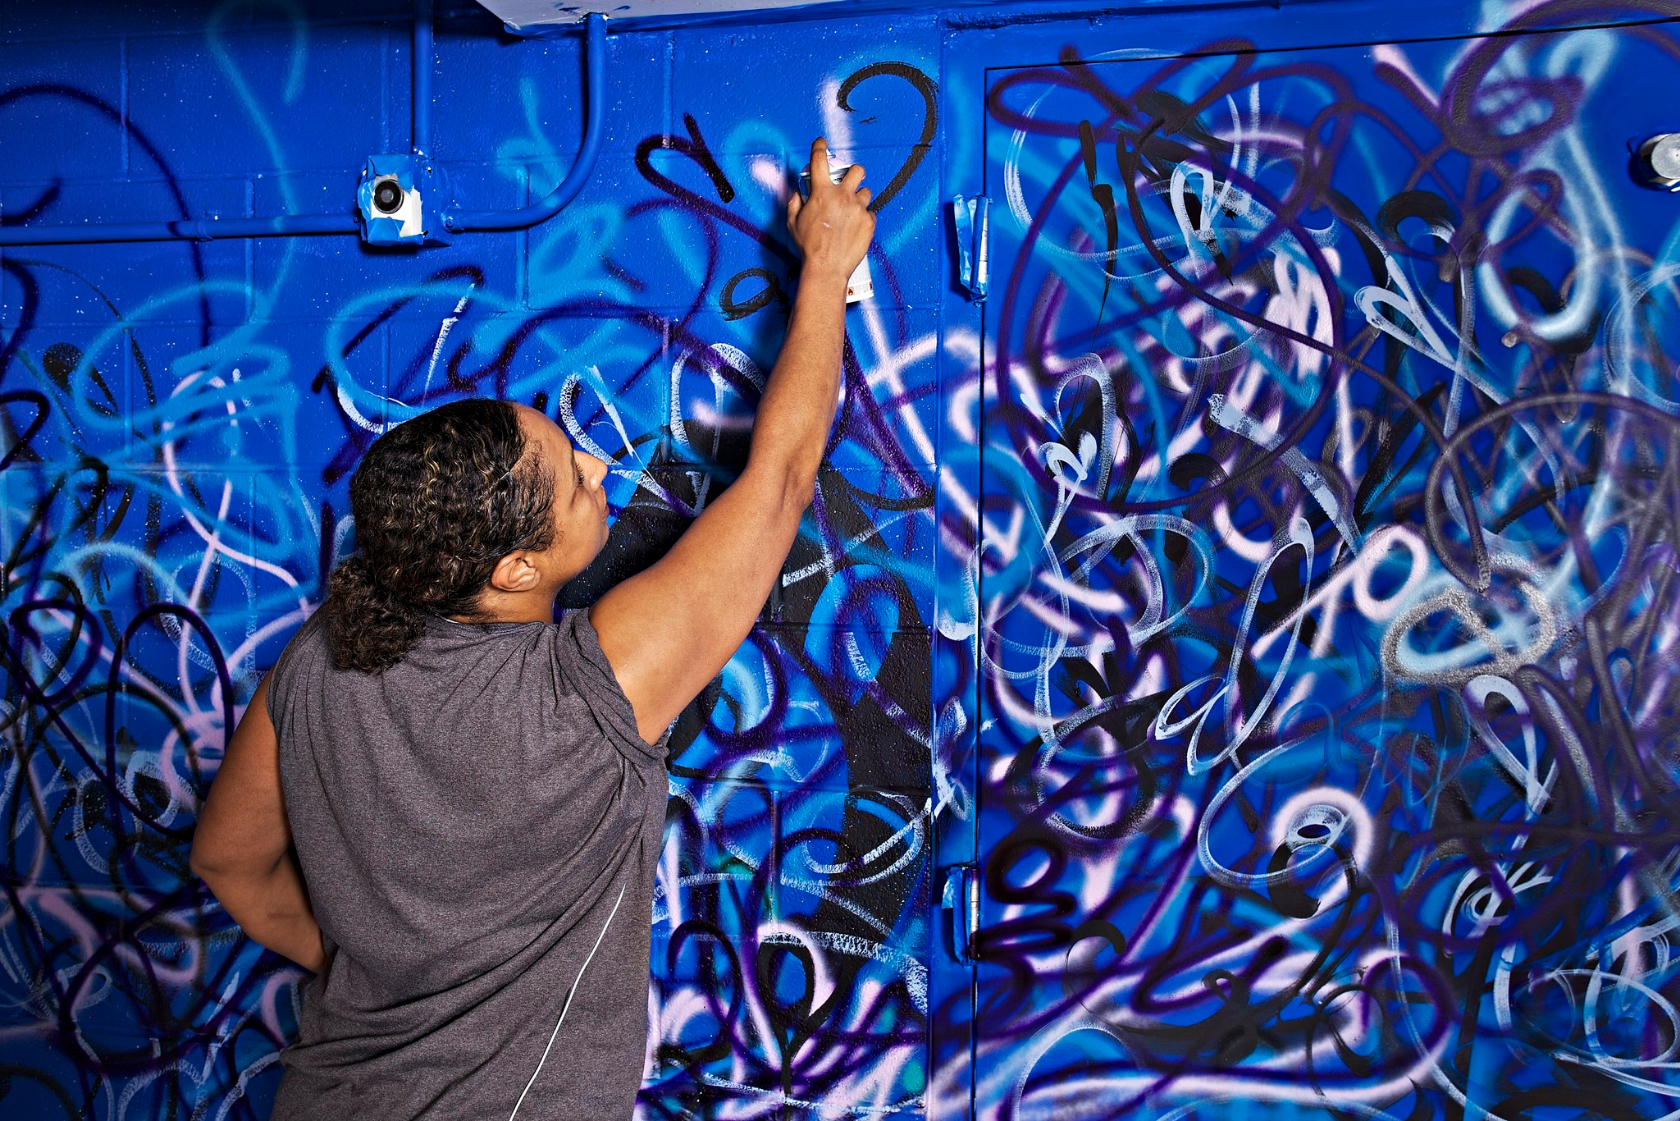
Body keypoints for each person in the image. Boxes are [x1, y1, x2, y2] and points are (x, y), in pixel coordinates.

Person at [189, 138, 875, 1120]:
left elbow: (226, 859)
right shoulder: (588, 690)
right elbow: (778, 485)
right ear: (513, 568)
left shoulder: (316, 657)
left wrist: (384, 981)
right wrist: (826, 266)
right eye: (573, 476)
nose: (598, 464)